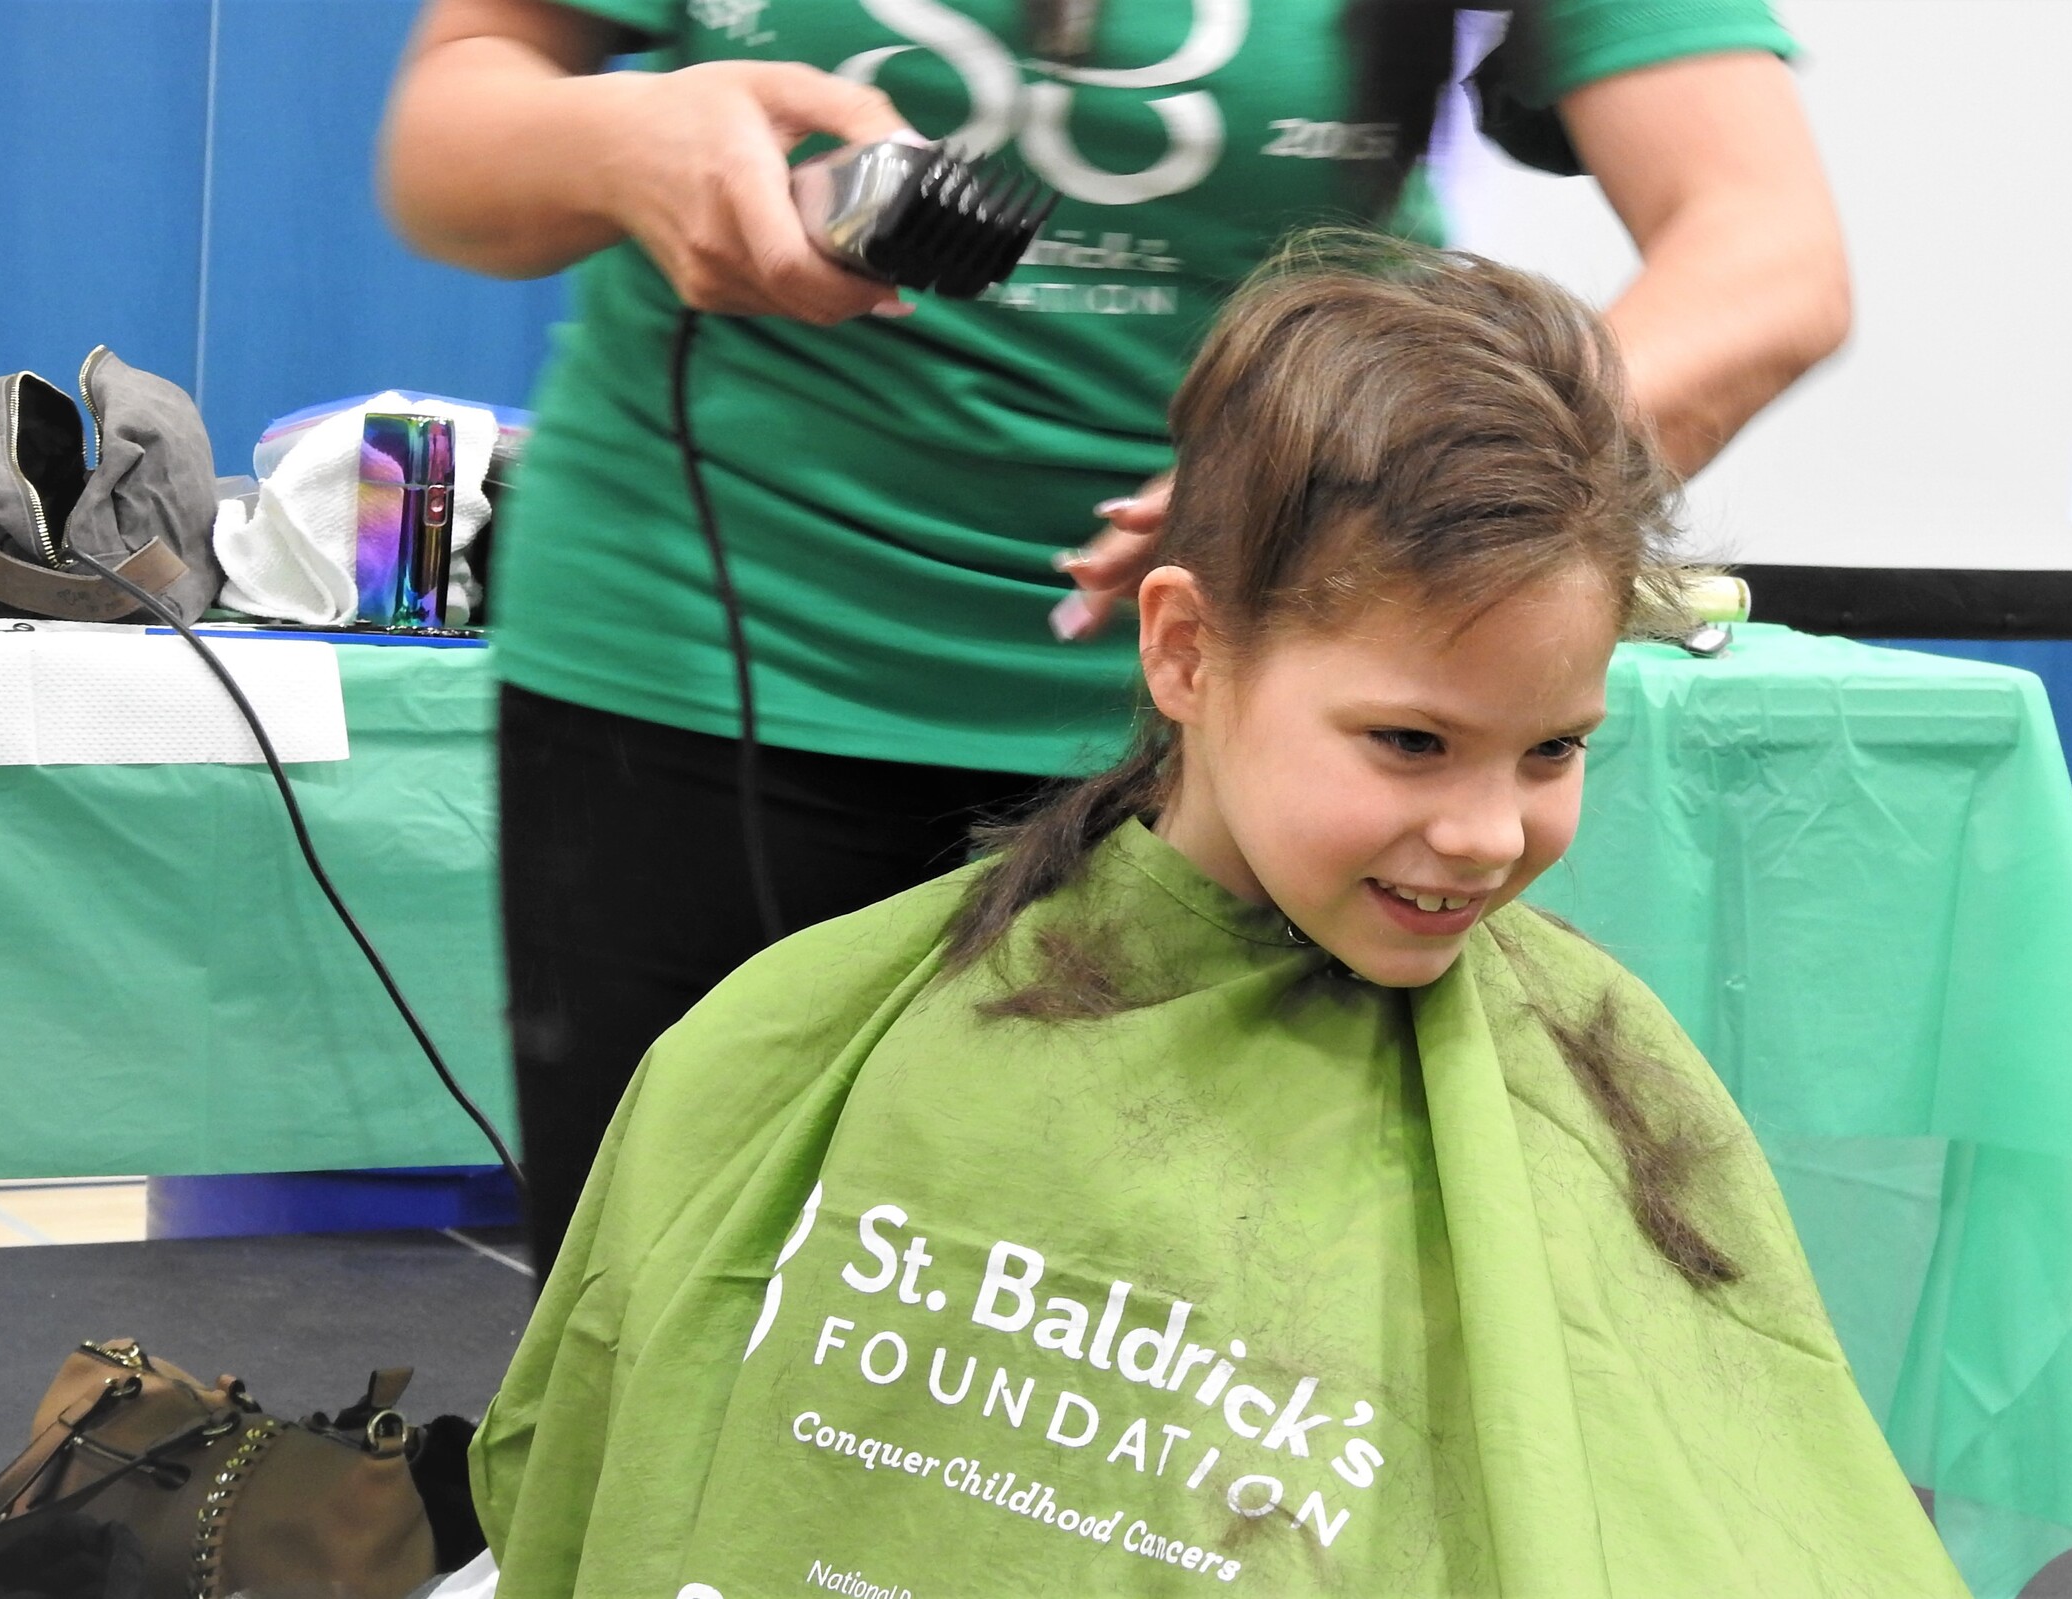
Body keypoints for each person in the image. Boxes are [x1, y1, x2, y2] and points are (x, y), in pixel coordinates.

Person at [465, 235, 1957, 1596]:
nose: (1490, 834)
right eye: (1411, 742)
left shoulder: (1589, 1084)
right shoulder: (809, 1038)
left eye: (1554, 749)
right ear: (1185, 649)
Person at [379, 0, 1849, 1276]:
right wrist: (616, 141)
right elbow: (453, 128)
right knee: (658, 1317)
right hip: (700, 679)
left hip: (1249, 751)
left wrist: (1366, 483)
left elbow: (1766, 254)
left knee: (1191, 1370)